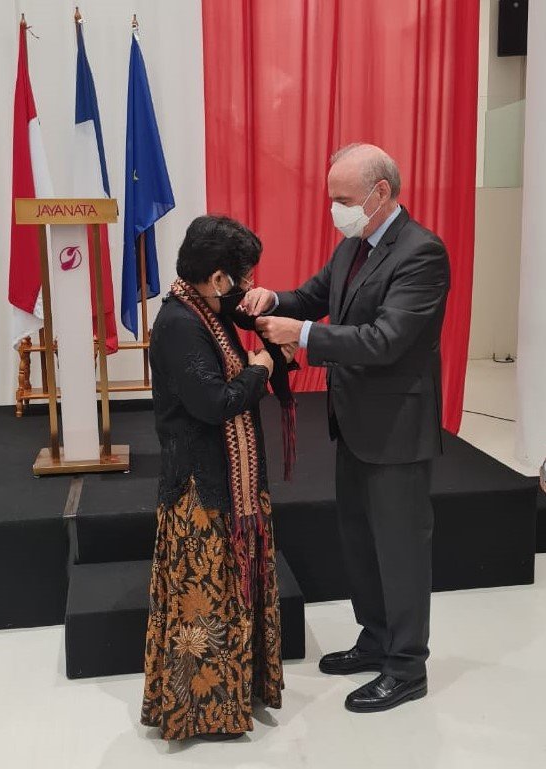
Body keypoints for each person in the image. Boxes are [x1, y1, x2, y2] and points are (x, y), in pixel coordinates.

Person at [242, 143, 450, 713]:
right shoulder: (354, 246)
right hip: (354, 422)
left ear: (380, 193)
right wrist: (273, 298)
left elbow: (386, 340)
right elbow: (312, 297)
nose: (335, 209)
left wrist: (302, 335)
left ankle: (406, 666)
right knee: (361, 541)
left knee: (400, 549)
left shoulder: (421, 253)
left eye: (344, 199)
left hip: (397, 429)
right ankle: (376, 638)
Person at [141, 215, 285, 741]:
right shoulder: (180, 324)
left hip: (229, 483)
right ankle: (200, 712)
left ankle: (233, 699)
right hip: (200, 491)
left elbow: (244, 353)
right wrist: (261, 369)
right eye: (242, 276)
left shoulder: (205, 310)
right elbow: (214, 402)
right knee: (203, 605)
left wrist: (271, 341)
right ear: (218, 277)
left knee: (229, 598)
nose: (247, 284)